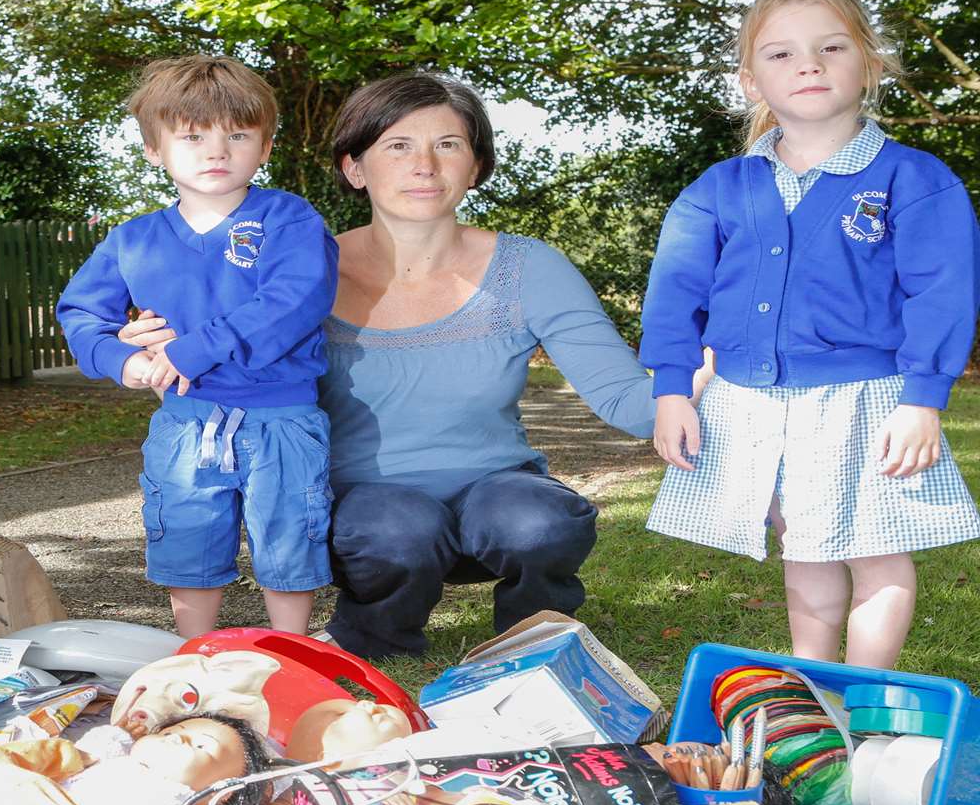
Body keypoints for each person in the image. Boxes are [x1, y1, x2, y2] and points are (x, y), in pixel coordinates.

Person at [122, 71, 659, 659]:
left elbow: (623, 397)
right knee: (395, 528)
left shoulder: (529, 267)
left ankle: (538, 635)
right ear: (355, 167)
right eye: (397, 145)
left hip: (496, 490)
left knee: (537, 521)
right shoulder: (295, 271)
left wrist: (701, 393)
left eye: (448, 144)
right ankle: (372, 636)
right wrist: (148, 350)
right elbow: (209, 379)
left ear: (475, 165)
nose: (424, 164)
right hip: (362, 509)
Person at [640, 0, 979, 669]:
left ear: (871, 64)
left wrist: (922, 398)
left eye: (831, 47)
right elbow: (676, 293)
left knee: (876, 552)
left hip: (869, 399)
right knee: (805, 547)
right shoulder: (720, 188)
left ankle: (867, 694)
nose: (809, 65)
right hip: (754, 403)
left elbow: (941, 293)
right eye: (782, 54)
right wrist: (672, 388)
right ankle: (816, 686)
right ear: (751, 81)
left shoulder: (914, 179)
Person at [56, 55, 339, 637]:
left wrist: (192, 351)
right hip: (185, 421)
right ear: (155, 150)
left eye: (237, 135)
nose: (216, 152)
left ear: (264, 148)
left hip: (281, 417)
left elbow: (293, 300)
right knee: (187, 537)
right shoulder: (134, 239)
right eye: (192, 137)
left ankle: (292, 652)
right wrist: (124, 359)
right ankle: (196, 654)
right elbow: (81, 311)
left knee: (288, 539)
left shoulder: (290, 221)